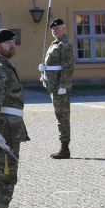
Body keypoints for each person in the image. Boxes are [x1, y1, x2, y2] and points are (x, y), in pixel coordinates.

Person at [0, 29, 27, 208]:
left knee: (7, 173)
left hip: (10, 128)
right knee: (3, 174)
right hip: (3, 130)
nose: (12, 46)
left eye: (13, 42)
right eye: (8, 43)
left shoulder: (5, 66)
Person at [40, 18, 75, 159]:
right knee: (59, 115)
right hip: (53, 85)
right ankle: (63, 147)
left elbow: (68, 67)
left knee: (62, 116)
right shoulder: (56, 43)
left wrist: (63, 85)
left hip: (59, 86)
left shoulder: (65, 44)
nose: (54, 31)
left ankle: (64, 148)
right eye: (53, 29)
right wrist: (44, 70)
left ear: (64, 29)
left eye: (57, 28)